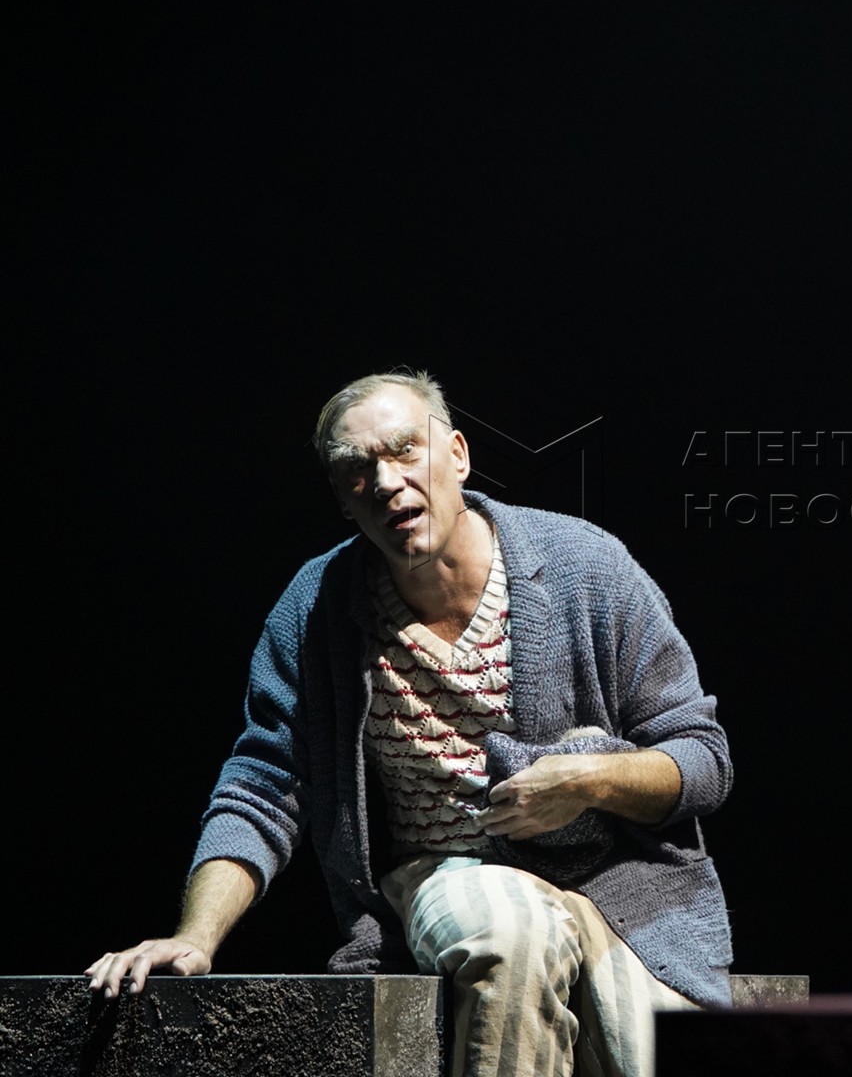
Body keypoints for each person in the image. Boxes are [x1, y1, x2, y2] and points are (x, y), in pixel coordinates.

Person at [86, 370, 733, 1077]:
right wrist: (196, 938)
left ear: (457, 455)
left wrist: (588, 781)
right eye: (357, 470)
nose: (387, 482)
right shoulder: (317, 610)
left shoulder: (586, 566)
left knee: (651, 1046)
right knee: (511, 932)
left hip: (620, 881)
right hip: (448, 872)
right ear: (342, 498)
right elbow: (263, 787)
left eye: (404, 450)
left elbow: (701, 758)